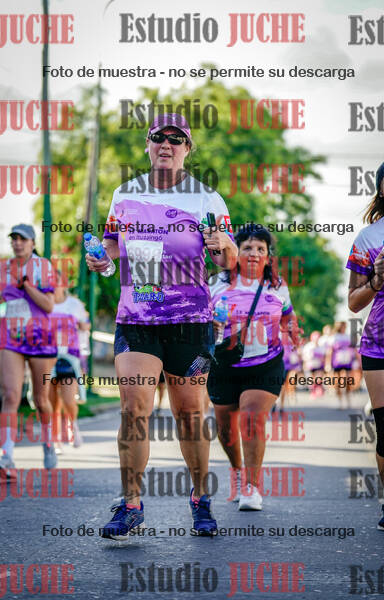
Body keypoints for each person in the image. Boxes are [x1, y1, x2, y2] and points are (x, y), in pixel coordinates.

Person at [86, 113, 237, 539]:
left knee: (189, 413)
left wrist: (224, 245)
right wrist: (103, 259)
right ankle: (131, 503)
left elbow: (228, 260)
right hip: (138, 317)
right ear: (148, 145)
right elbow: (112, 243)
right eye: (158, 137)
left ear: (187, 148)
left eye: (176, 138)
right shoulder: (125, 194)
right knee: (134, 408)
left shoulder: (207, 198)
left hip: (190, 320)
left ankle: (201, 498)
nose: (166, 144)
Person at [207, 225, 299, 510]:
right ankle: (237, 471)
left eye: (261, 248)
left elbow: (289, 317)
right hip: (224, 364)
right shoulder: (215, 284)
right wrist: (212, 324)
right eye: (247, 247)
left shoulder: (277, 286)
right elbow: (199, 321)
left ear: (268, 255)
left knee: (251, 418)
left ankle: (251, 487)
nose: (254, 253)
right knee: (225, 429)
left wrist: (293, 334)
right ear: (235, 251)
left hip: (266, 363)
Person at [347, 158, 384, 531]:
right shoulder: (368, 238)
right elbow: (354, 302)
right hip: (382, 341)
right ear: (381, 190)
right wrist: (377, 280)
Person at [0, 224, 57, 472]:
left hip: (39, 338)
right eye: (14, 239)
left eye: (22, 239)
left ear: (33, 243)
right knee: (10, 395)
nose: (18, 243)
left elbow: (49, 305)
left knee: (41, 400)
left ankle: (48, 443)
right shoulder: (4, 268)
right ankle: (6, 456)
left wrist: (26, 286)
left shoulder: (42, 267)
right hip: (11, 337)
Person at [49, 278, 89, 452]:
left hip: (70, 358)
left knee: (68, 400)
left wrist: (83, 325)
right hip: (48, 357)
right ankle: (55, 440)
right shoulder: (43, 303)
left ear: (63, 285)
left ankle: (73, 425)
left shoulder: (74, 304)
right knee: (52, 403)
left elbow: (87, 325)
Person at [325, 321, 354, 409]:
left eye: (345, 326)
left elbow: (352, 349)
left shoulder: (348, 336)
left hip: (347, 361)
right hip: (337, 361)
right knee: (337, 381)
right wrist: (328, 363)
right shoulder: (334, 337)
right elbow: (329, 351)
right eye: (343, 326)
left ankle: (348, 398)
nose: (344, 328)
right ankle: (339, 400)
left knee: (348, 380)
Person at [302, 331, 325, 398]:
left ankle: (318, 390)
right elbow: (304, 357)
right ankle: (313, 391)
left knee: (318, 379)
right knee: (311, 380)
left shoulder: (321, 347)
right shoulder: (308, 346)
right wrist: (305, 364)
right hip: (310, 366)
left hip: (319, 366)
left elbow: (324, 356)